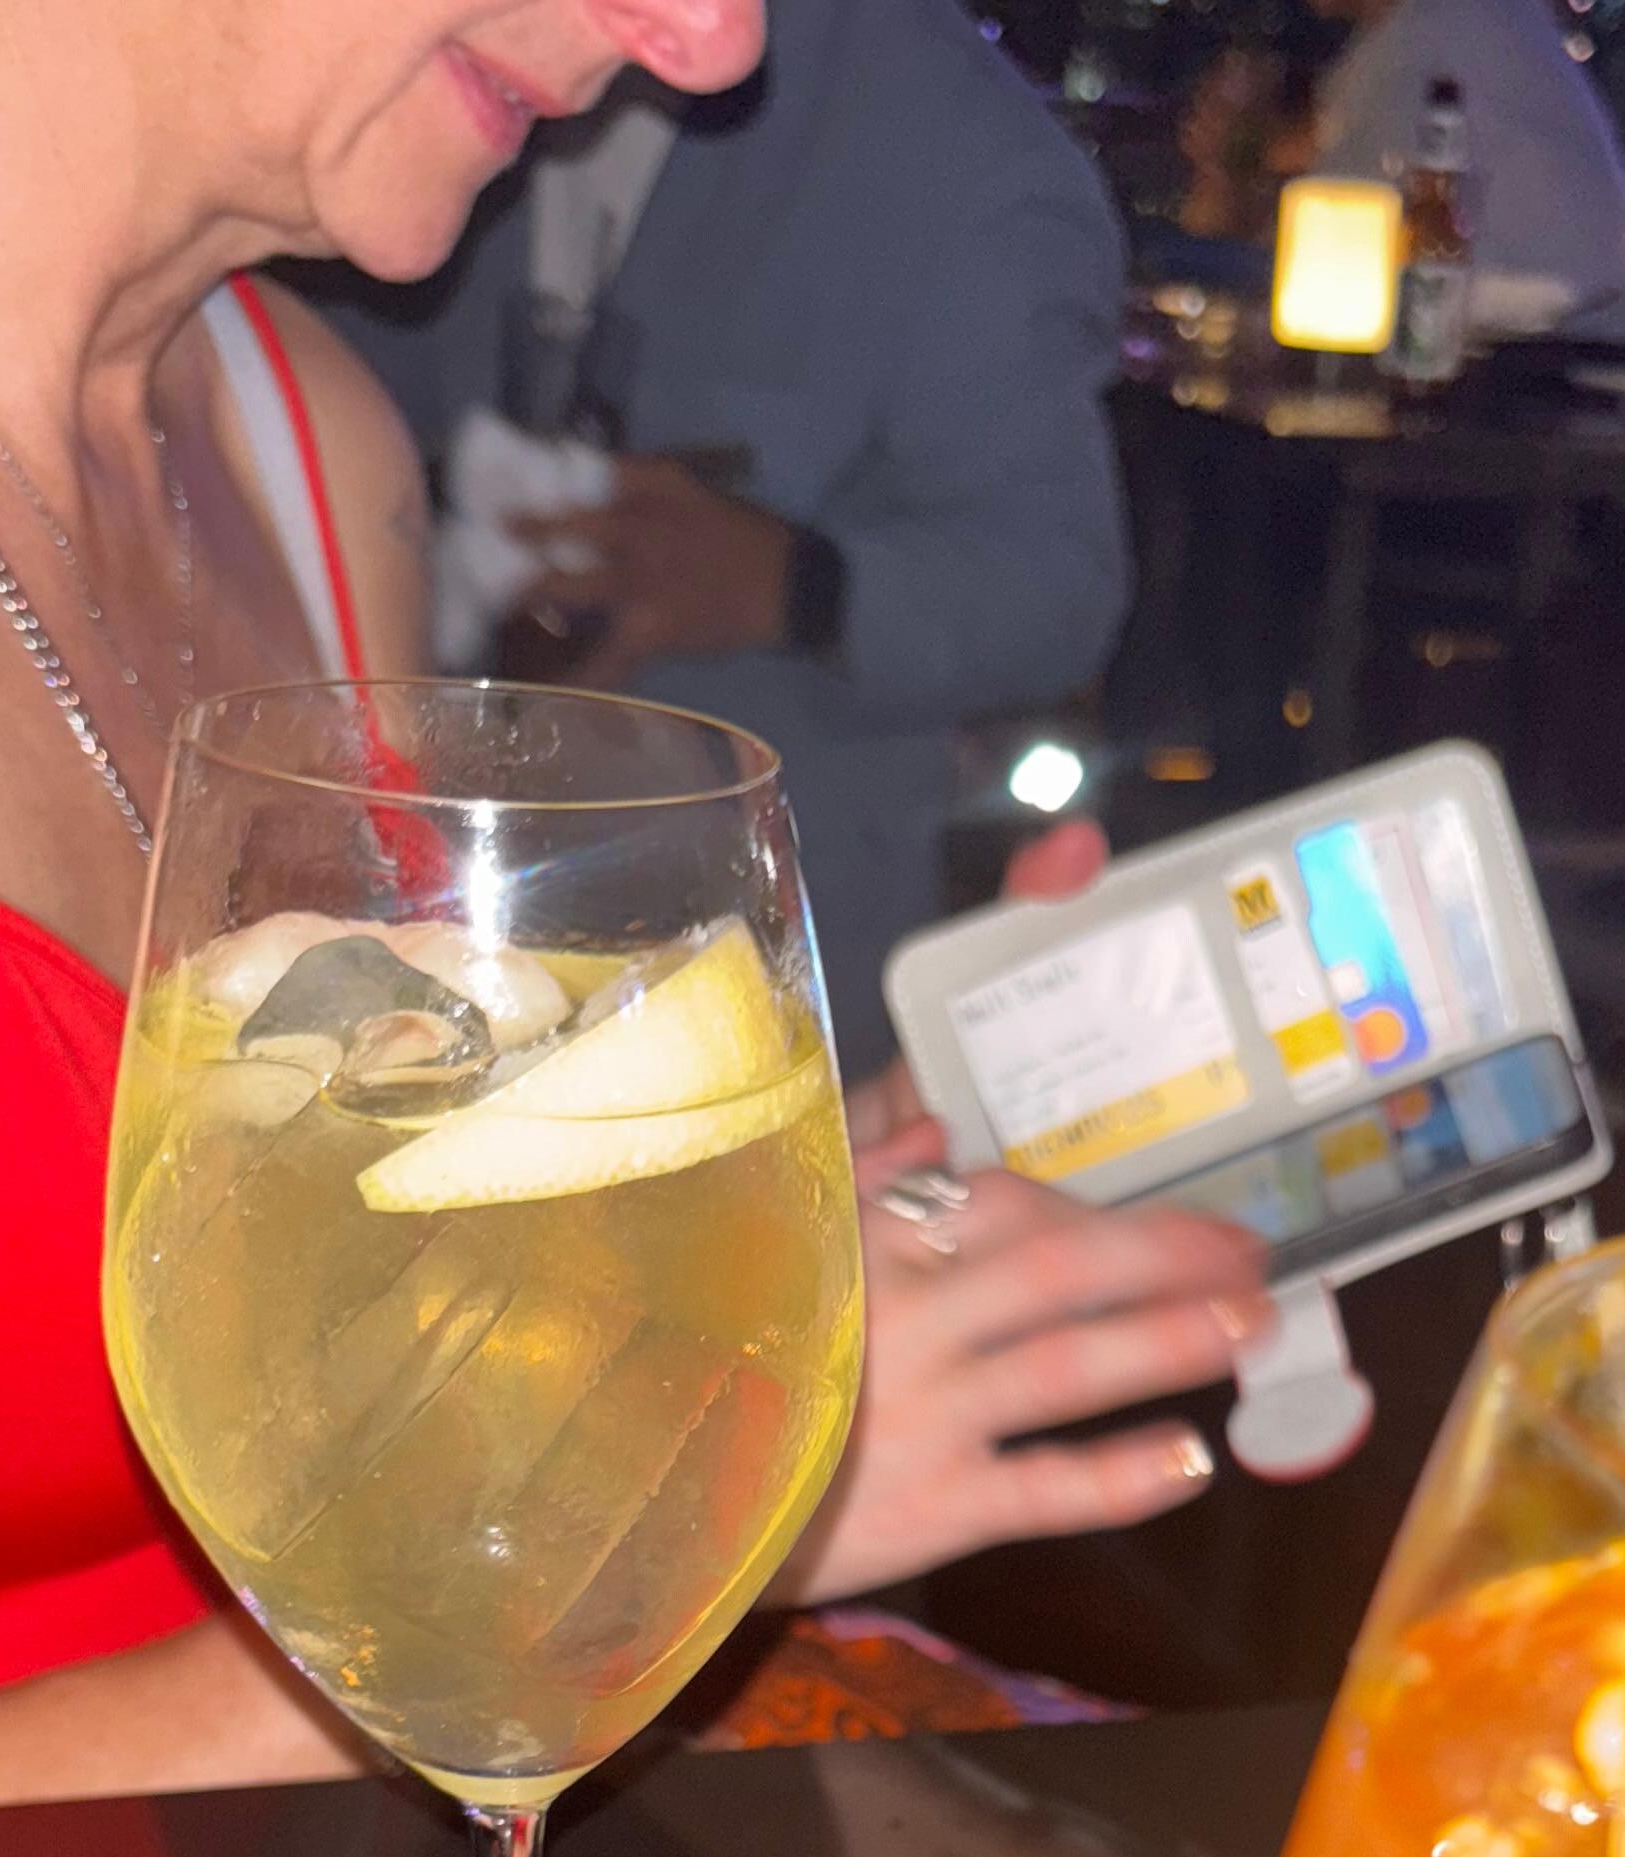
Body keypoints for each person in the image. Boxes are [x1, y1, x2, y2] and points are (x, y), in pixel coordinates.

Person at [0, 0, 1264, 1830]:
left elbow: (367, 1300)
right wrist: (631, 1540)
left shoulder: (302, 439)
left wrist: (742, 1226)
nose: (709, 43)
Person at [331, 0, 1135, 1065]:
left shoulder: (961, 145)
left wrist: (795, 584)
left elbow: (1057, 586)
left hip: (753, 962)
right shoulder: (415, 48)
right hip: (418, 904)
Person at [1308, 0, 1625, 348]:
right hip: (1550, 338)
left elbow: (1343, 219)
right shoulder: (1454, 26)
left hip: (1537, 349)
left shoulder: (1441, 36)